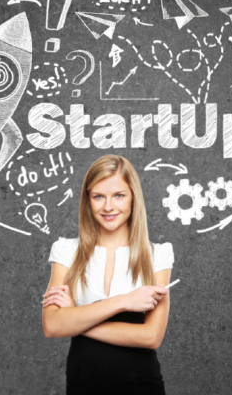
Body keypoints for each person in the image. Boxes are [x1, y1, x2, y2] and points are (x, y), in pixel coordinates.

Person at [42, 154, 174, 395]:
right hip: (83, 385)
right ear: (88, 200)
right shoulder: (66, 250)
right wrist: (125, 301)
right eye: (98, 196)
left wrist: (75, 320)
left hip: (142, 386)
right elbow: (52, 325)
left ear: (133, 198)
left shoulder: (158, 255)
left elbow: (151, 336)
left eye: (119, 196)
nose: (108, 207)